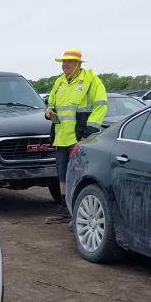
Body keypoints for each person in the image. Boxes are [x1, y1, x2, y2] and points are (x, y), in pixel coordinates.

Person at [44, 49, 107, 223]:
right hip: (61, 136)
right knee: (63, 175)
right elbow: (51, 103)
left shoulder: (91, 81)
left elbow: (101, 106)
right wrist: (48, 111)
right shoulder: (59, 82)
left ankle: (79, 215)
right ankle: (65, 209)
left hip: (80, 137)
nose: (65, 65)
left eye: (69, 62)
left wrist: (89, 132)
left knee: (80, 175)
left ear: (78, 64)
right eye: (63, 62)